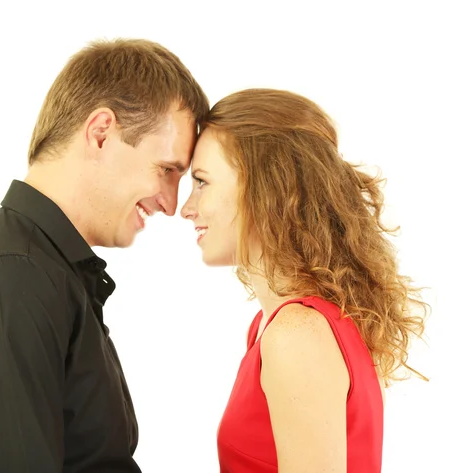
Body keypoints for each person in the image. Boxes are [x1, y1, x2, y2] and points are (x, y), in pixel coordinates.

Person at [0, 38, 209, 473]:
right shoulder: (7, 282)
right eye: (167, 170)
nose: (171, 203)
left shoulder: (42, 274)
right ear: (101, 133)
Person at [181, 88, 428, 473]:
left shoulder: (296, 334)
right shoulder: (273, 326)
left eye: (202, 181)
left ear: (267, 190)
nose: (186, 208)